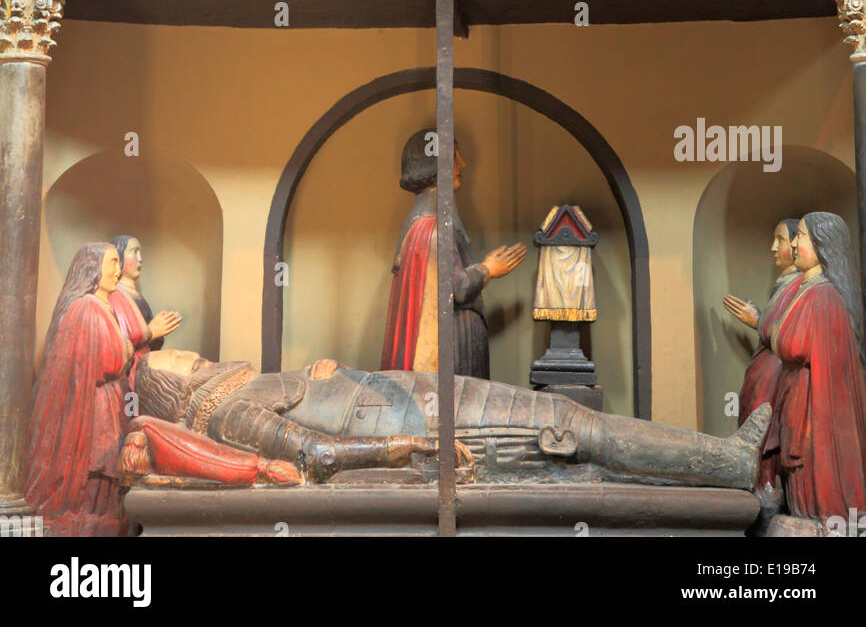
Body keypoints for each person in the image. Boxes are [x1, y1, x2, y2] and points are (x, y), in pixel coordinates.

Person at [130, 346, 771, 491]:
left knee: (572, 427)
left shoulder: (242, 388)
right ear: (176, 384)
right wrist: (409, 447)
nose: (191, 352)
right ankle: (730, 464)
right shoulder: (228, 411)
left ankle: (720, 461)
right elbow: (318, 456)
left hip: (410, 395)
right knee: (573, 433)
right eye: (178, 359)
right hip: (410, 424)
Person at [380, 129, 525, 376]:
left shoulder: (425, 224)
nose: (463, 165)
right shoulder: (433, 228)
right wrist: (489, 268)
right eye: (456, 157)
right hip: (452, 346)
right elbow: (457, 287)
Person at [764, 211, 866, 525]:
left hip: (814, 398)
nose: (795, 244)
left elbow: (793, 344)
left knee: (809, 459)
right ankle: (805, 514)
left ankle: (826, 517)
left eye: (802, 236)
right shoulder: (807, 289)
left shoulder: (824, 296)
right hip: (798, 392)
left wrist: (779, 336)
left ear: (823, 244)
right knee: (796, 465)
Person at [25, 242, 133, 536]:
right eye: (111, 263)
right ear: (92, 268)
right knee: (100, 460)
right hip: (95, 402)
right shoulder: (87, 307)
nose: (117, 270)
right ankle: (93, 516)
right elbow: (104, 361)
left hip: (109, 398)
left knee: (110, 460)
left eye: (117, 263)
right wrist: (125, 350)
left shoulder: (102, 306)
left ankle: (104, 516)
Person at [724, 218, 802, 494]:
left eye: (780, 240)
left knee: (766, 431)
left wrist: (757, 320)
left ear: (797, 245)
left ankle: (768, 489)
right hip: (766, 368)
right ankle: (762, 486)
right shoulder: (787, 284)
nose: (773, 247)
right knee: (757, 427)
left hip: (776, 373)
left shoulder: (802, 286)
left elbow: (791, 334)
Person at [109, 233, 182, 373]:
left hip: (143, 365)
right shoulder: (115, 296)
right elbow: (120, 343)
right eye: (134, 252)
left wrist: (162, 328)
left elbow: (150, 339)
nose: (140, 259)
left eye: (140, 252)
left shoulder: (136, 296)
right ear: (118, 257)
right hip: (128, 371)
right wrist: (151, 332)